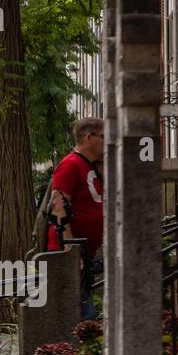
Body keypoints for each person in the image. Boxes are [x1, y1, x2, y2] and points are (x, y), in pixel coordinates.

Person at [51, 117, 105, 319]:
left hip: (85, 253)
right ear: (89, 137)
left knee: (86, 312)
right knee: (82, 315)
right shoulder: (70, 165)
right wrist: (70, 251)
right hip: (70, 255)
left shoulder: (89, 166)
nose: (107, 142)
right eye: (103, 137)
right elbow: (58, 209)